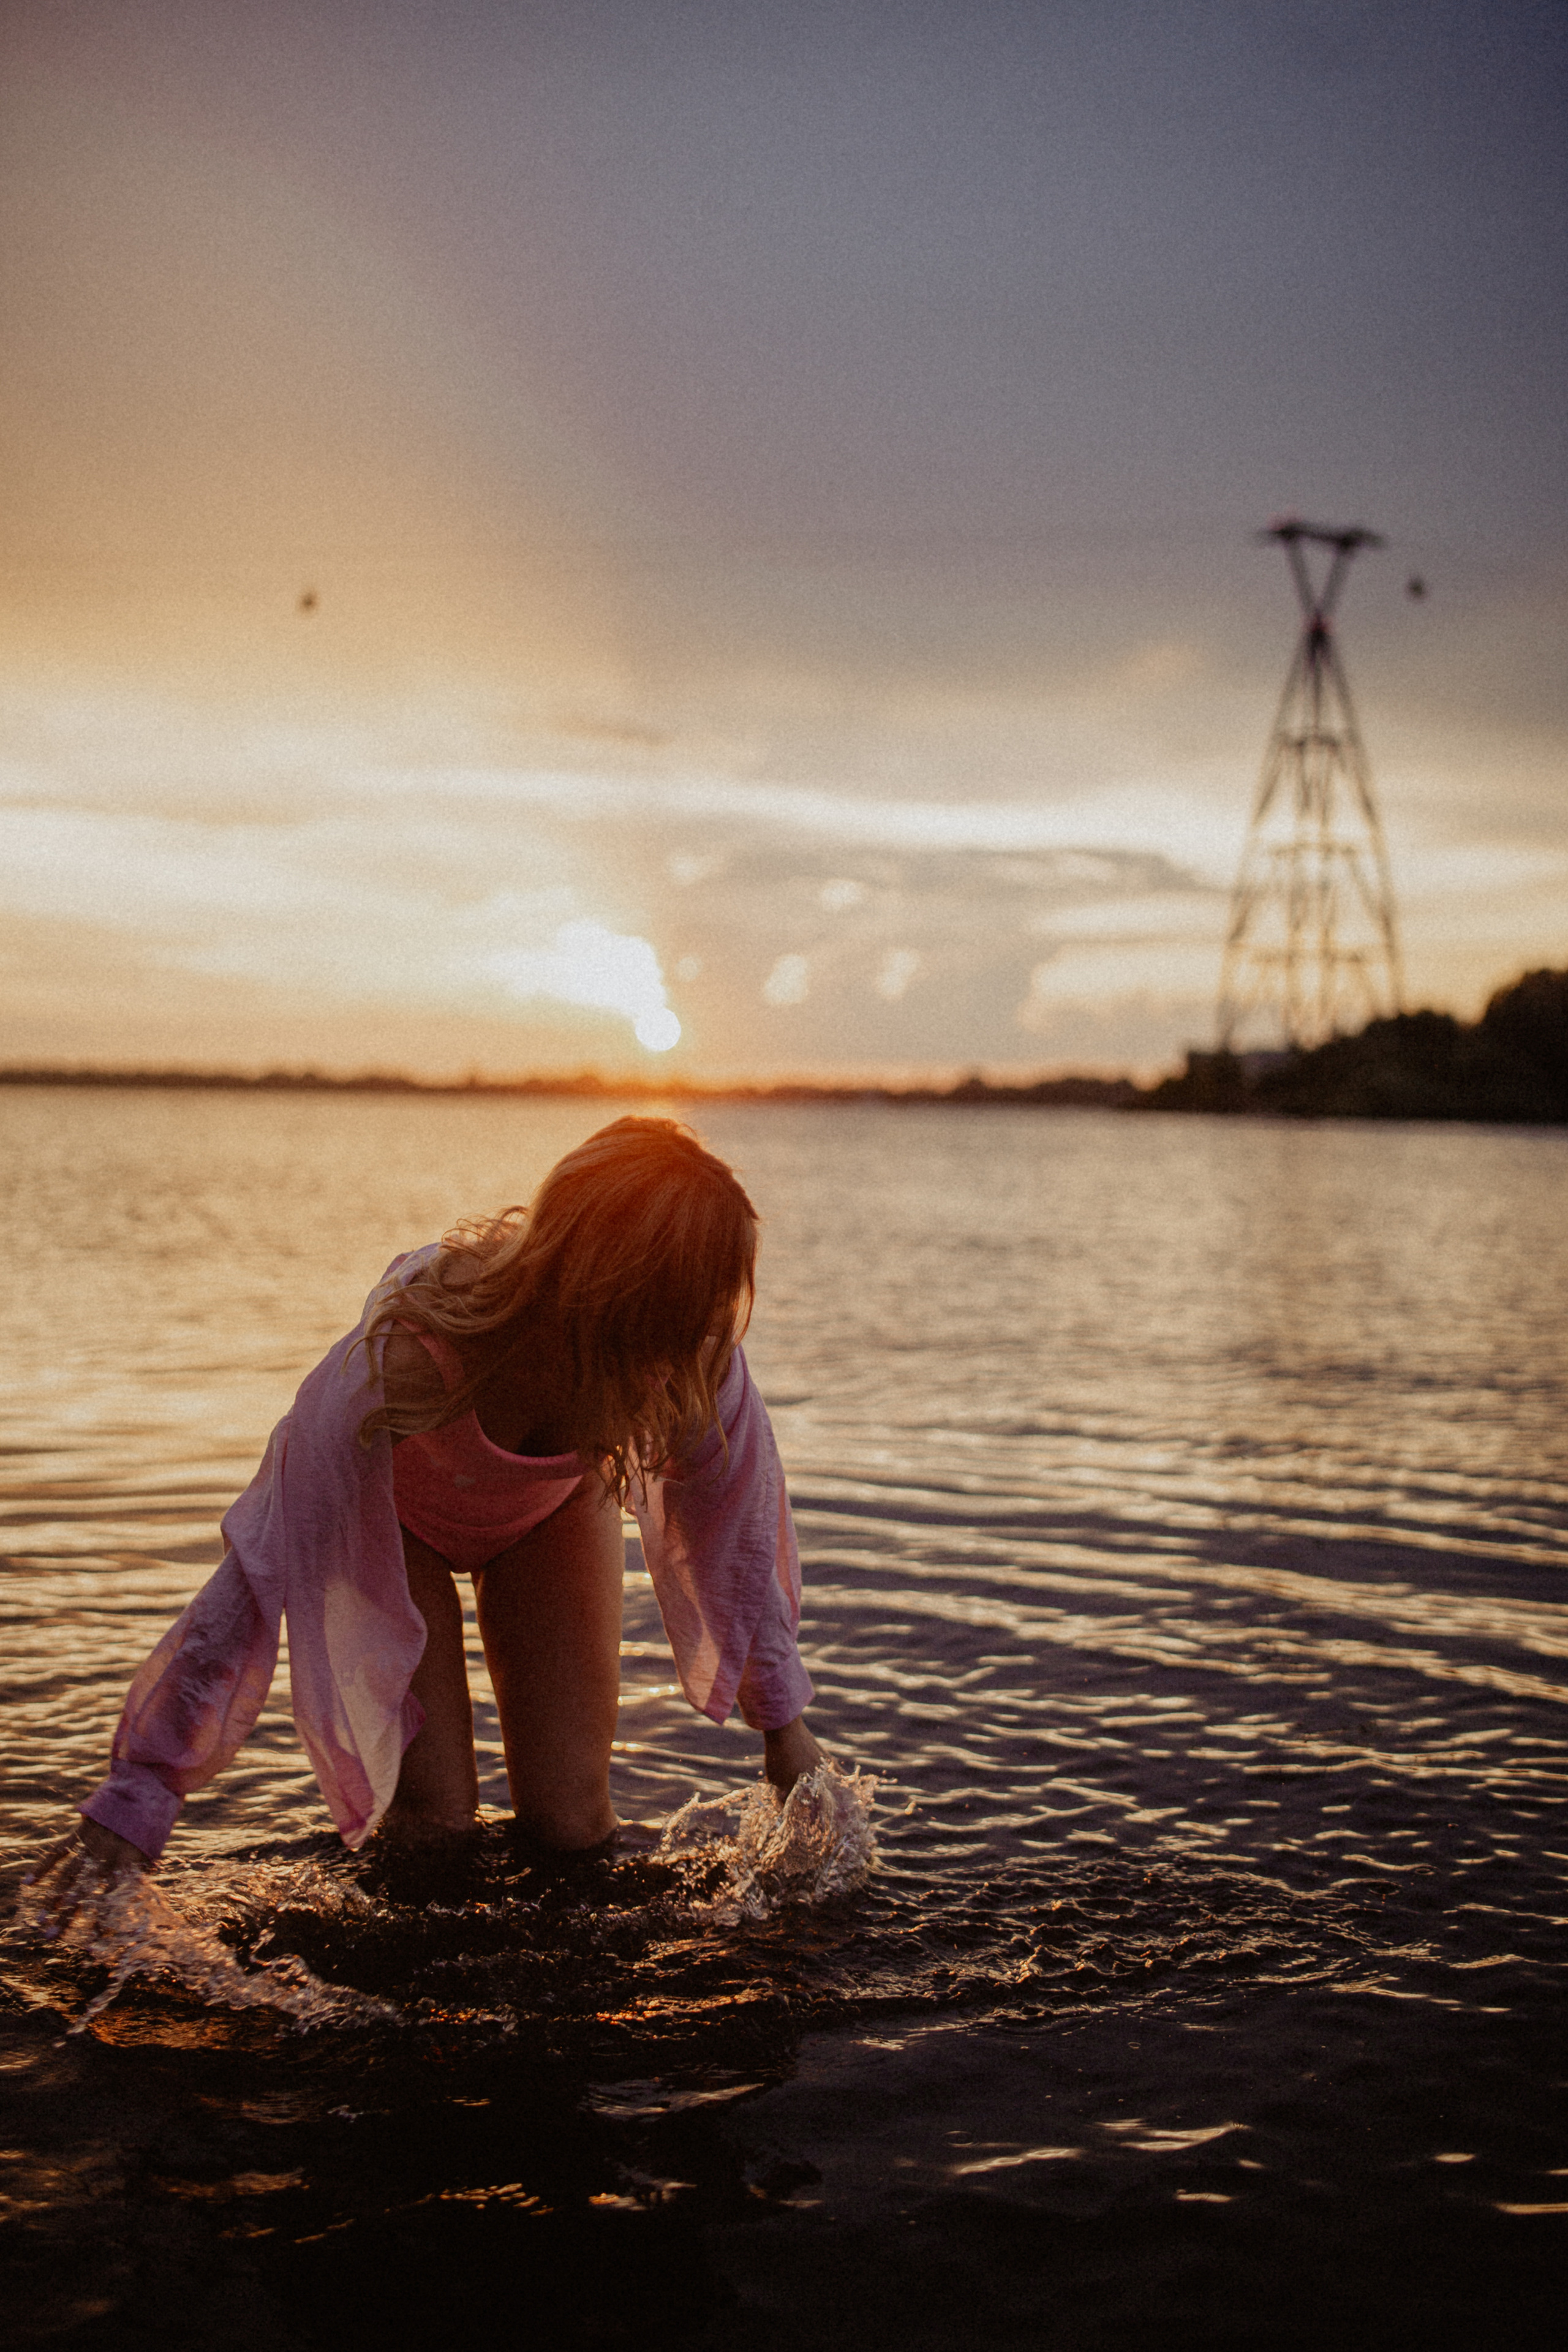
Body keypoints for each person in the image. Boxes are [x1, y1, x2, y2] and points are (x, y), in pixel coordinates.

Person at [32, 1118, 822, 1906]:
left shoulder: (694, 1351)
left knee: (571, 1826)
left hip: (549, 1514)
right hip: (393, 1527)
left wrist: (783, 1728)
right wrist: (142, 1791)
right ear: (598, 1295)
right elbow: (264, 1558)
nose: (687, 1357)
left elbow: (737, 1526)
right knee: (435, 1829)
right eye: (663, 1331)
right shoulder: (402, 1360)